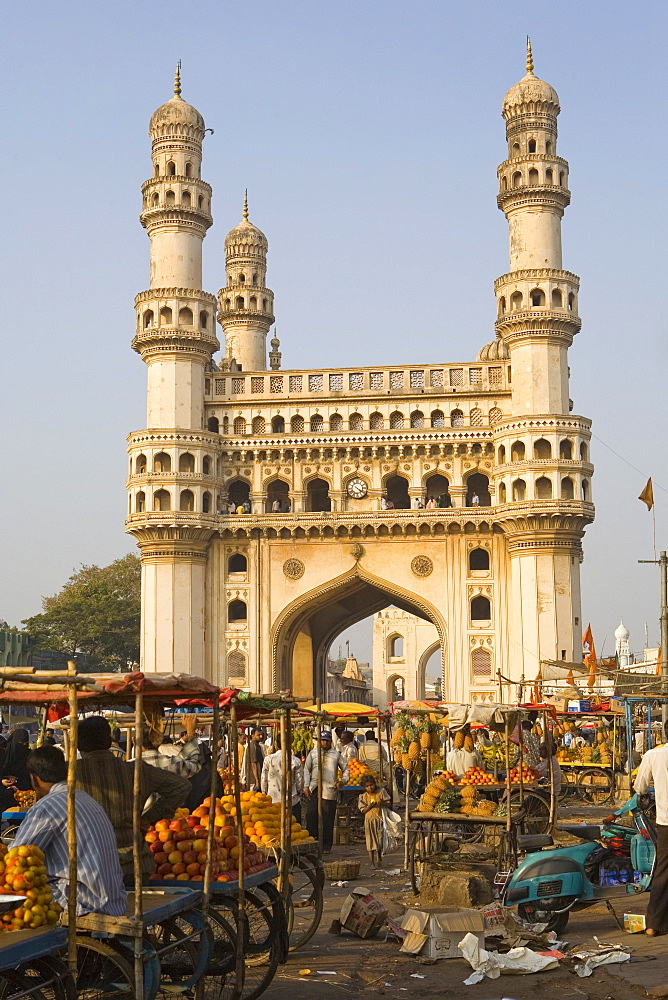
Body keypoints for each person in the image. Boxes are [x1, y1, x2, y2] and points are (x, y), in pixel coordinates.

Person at [12, 746, 127, 916]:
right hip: (114, 900)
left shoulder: (47, 807)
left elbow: (16, 855)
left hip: (82, 901)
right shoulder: (84, 798)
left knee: (19, 882)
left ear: (34, 779)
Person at [76, 716, 190, 878]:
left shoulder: (70, 774)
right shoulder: (135, 771)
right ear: (109, 743)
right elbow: (181, 786)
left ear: (78, 745)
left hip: (88, 865)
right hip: (133, 863)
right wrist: (149, 818)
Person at [635, 722, 668, 936]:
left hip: (665, 821)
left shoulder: (653, 755)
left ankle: (653, 924)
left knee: (663, 871)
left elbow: (640, 786)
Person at [304, 731, 349, 853]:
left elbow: (346, 769)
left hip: (329, 790)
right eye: (323, 740)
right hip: (314, 789)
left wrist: (342, 781)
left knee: (328, 819)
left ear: (330, 741)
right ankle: (312, 843)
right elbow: (306, 770)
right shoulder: (313, 754)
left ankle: (326, 846)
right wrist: (306, 786)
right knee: (311, 816)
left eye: (327, 740)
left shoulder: (336, 755)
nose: (325, 742)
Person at [261, 736, 304, 822]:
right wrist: (300, 791)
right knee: (294, 827)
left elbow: (263, 779)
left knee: (275, 828)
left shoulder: (268, 759)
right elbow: (300, 781)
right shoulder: (295, 761)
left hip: (273, 799)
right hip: (292, 800)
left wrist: (264, 792)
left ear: (277, 745)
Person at [357, 773, 391, 867]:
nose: (370, 788)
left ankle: (379, 857)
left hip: (380, 819)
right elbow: (363, 810)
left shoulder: (381, 792)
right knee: (370, 841)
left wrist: (382, 803)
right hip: (369, 821)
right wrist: (369, 806)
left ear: (375, 784)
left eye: (371, 785)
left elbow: (389, 803)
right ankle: (372, 861)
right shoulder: (363, 797)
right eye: (367, 786)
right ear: (364, 787)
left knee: (380, 840)